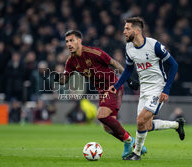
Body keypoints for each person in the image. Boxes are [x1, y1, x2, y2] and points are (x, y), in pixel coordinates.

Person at [54, 30, 146, 159]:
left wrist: (128, 80)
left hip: (114, 86)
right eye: (67, 41)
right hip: (102, 91)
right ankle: (135, 144)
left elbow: (115, 63)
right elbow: (65, 80)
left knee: (101, 115)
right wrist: (58, 78)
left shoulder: (93, 52)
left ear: (79, 41)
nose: (69, 44)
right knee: (107, 128)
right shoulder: (71, 61)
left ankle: (129, 141)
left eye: (72, 40)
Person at [109, 17, 185, 160]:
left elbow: (174, 65)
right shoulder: (129, 48)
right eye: (124, 28)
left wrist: (166, 90)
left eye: (127, 28)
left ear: (137, 31)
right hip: (144, 90)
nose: (124, 31)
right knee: (146, 125)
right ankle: (177, 124)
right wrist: (116, 86)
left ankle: (136, 153)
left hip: (158, 88)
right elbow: (127, 70)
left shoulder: (154, 45)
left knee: (140, 120)